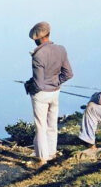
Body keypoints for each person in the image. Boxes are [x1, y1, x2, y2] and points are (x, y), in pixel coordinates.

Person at [24, 21, 74, 166]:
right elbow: (68, 74)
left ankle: (43, 158)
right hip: (55, 92)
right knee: (52, 124)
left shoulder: (38, 55)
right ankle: (52, 152)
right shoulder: (61, 49)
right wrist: (56, 82)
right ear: (48, 34)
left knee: (41, 127)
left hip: (41, 95)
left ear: (37, 39)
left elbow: (38, 83)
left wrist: (28, 86)